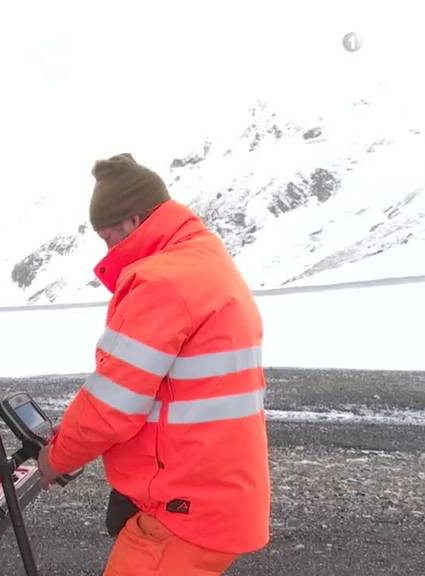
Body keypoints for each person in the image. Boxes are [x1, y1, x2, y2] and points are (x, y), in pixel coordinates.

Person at [37, 153, 271, 575]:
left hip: (183, 511)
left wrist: (56, 458)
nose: (109, 250)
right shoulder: (206, 261)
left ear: (134, 220)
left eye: (109, 239)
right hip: (219, 496)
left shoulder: (162, 282)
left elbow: (110, 407)